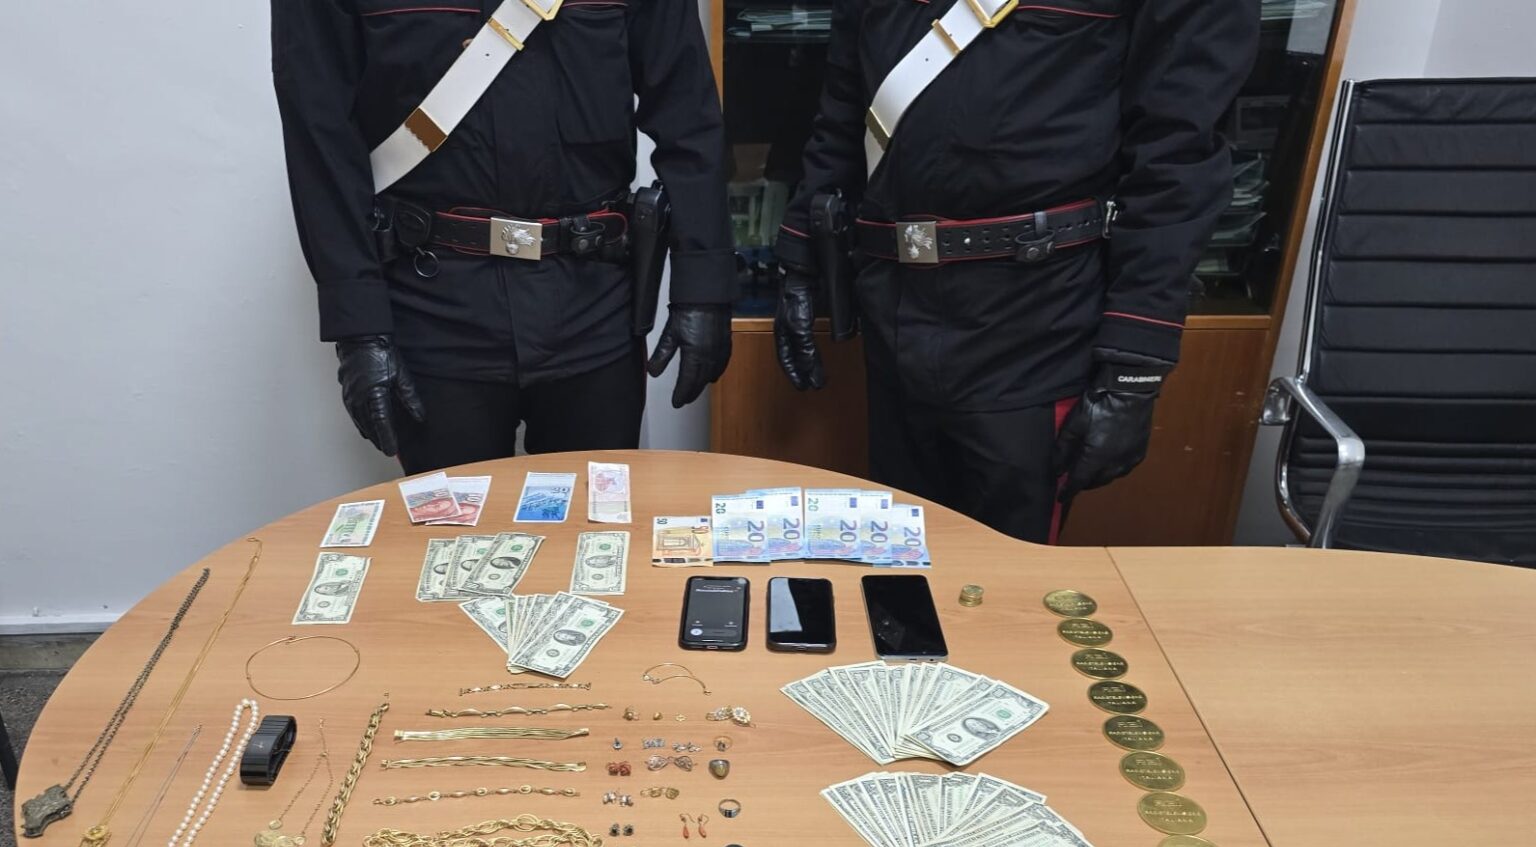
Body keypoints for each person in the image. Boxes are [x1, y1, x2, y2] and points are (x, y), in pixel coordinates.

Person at [772, 0, 1259, 542]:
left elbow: (1177, 155)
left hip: (1037, 319)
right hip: (891, 302)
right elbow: (847, 102)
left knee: (1010, 571)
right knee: (901, 556)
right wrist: (801, 256)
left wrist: (1135, 363)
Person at [272, 0, 734, 474]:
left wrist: (704, 290)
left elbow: (687, 112)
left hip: (594, 301)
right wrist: (359, 327)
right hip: (431, 306)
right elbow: (319, 136)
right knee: (450, 523)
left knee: (597, 515)